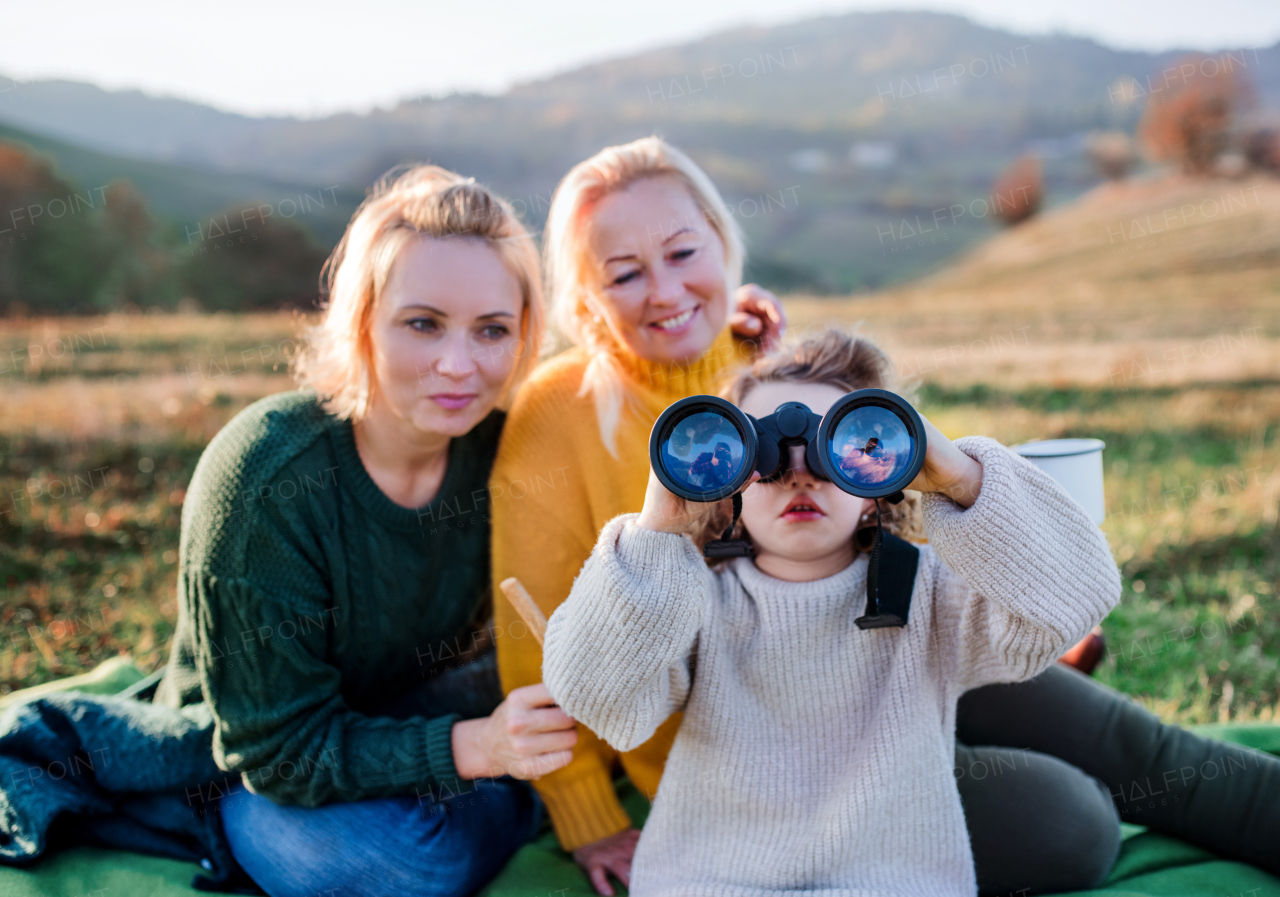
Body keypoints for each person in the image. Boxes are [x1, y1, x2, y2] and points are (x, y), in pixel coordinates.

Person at [492, 136, 1280, 895]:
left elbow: (1030, 565)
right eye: (625, 273)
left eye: (682, 253)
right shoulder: (568, 421)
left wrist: (944, 461)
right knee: (1072, 820)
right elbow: (551, 648)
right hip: (733, 731)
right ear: (586, 300)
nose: (665, 291)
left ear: (722, 247)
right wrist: (586, 811)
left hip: (891, 621)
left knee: (1136, 747)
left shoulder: (768, 359)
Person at [542, 328, 1122, 895]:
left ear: (880, 482)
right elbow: (595, 695)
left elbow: (1075, 600)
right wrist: (656, 532)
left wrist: (958, 473)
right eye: (761, 456)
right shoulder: (688, 600)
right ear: (729, 482)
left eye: (839, 450)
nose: (798, 473)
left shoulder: (926, 593)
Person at [152, 165, 578, 897]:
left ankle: (503, 784)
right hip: (256, 759)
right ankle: (520, 798)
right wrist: (479, 747)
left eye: (492, 330)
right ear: (362, 320)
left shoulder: (505, 446)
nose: (459, 364)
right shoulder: (266, 479)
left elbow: (624, 420)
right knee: (407, 858)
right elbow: (279, 752)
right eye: (423, 323)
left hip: (417, 702)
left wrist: (732, 349)